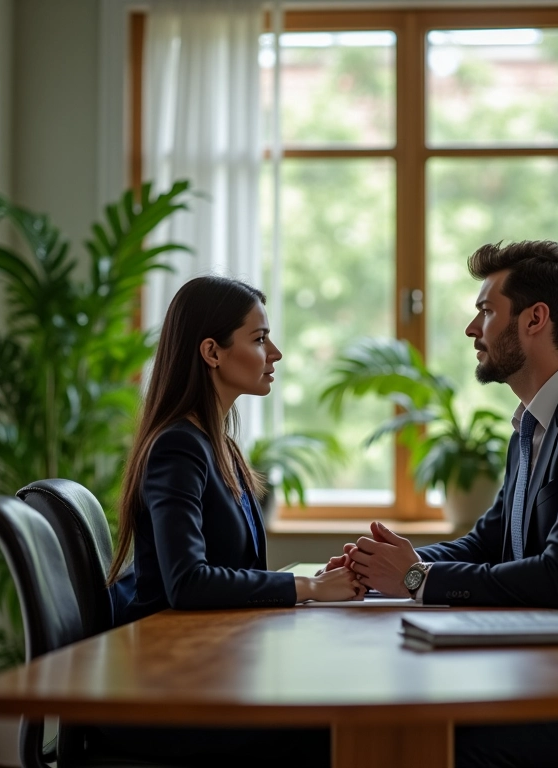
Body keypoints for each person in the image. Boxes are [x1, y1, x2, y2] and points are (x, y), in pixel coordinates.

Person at [326, 241, 558, 767]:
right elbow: (488, 541)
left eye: (487, 311)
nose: (473, 329)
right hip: (547, 677)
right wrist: (388, 565)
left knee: (416, 744)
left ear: (535, 319)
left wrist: (416, 580)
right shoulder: (533, 425)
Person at [103, 275, 360, 765]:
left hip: (202, 673)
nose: (276, 353)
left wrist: (310, 582)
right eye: (260, 339)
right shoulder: (178, 447)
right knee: (335, 731)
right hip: (167, 698)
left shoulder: (215, 445)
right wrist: (306, 590)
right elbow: (188, 584)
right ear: (212, 352)